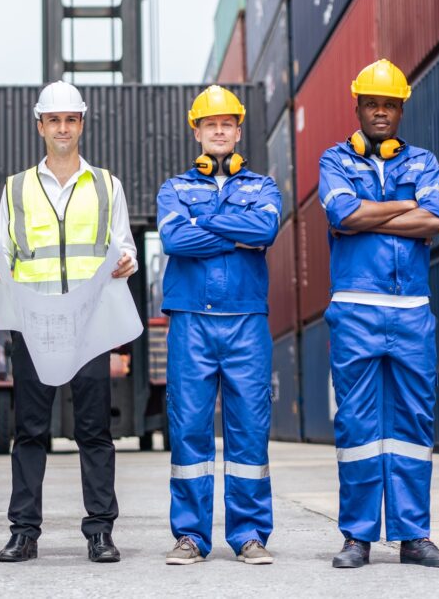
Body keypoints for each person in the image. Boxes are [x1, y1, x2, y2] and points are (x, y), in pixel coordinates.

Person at [0, 80, 137, 564]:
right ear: (40, 125)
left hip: (90, 324)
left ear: (81, 124)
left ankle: (100, 531)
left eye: (71, 119)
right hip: (35, 321)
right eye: (54, 120)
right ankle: (24, 531)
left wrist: (127, 260)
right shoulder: (16, 187)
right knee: (29, 429)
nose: (62, 128)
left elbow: (123, 244)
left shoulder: (108, 185)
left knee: (94, 430)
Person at [317, 59, 439, 569]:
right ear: (357, 107)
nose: (380, 112)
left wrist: (367, 217)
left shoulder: (424, 161)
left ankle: (413, 536)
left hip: (412, 311)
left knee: (414, 421)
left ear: (401, 110)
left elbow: (438, 218)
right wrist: (404, 209)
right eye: (372, 103)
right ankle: (357, 537)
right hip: (355, 311)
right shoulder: (334, 160)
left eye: (389, 105)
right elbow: (341, 213)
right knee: (356, 425)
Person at [155, 86, 282, 565]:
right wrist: (235, 227)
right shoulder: (174, 188)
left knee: (249, 428)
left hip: (247, 320)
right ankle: (190, 536)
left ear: (238, 129)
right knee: (189, 428)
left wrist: (205, 222)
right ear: (197, 131)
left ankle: (249, 535)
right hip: (190, 319)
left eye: (227, 123)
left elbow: (265, 231)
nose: (219, 131)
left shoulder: (263, 187)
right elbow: (173, 238)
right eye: (211, 124)